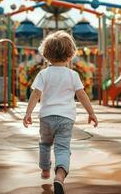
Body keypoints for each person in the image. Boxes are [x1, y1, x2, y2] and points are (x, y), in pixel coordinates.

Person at [23, 31, 98, 194]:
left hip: (46, 117)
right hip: (66, 118)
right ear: (70, 54)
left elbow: (36, 94)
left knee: (44, 144)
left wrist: (28, 113)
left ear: (46, 54)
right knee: (63, 148)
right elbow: (81, 95)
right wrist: (91, 113)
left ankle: (44, 169)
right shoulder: (73, 75)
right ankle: (60, 177)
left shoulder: (43, 74)